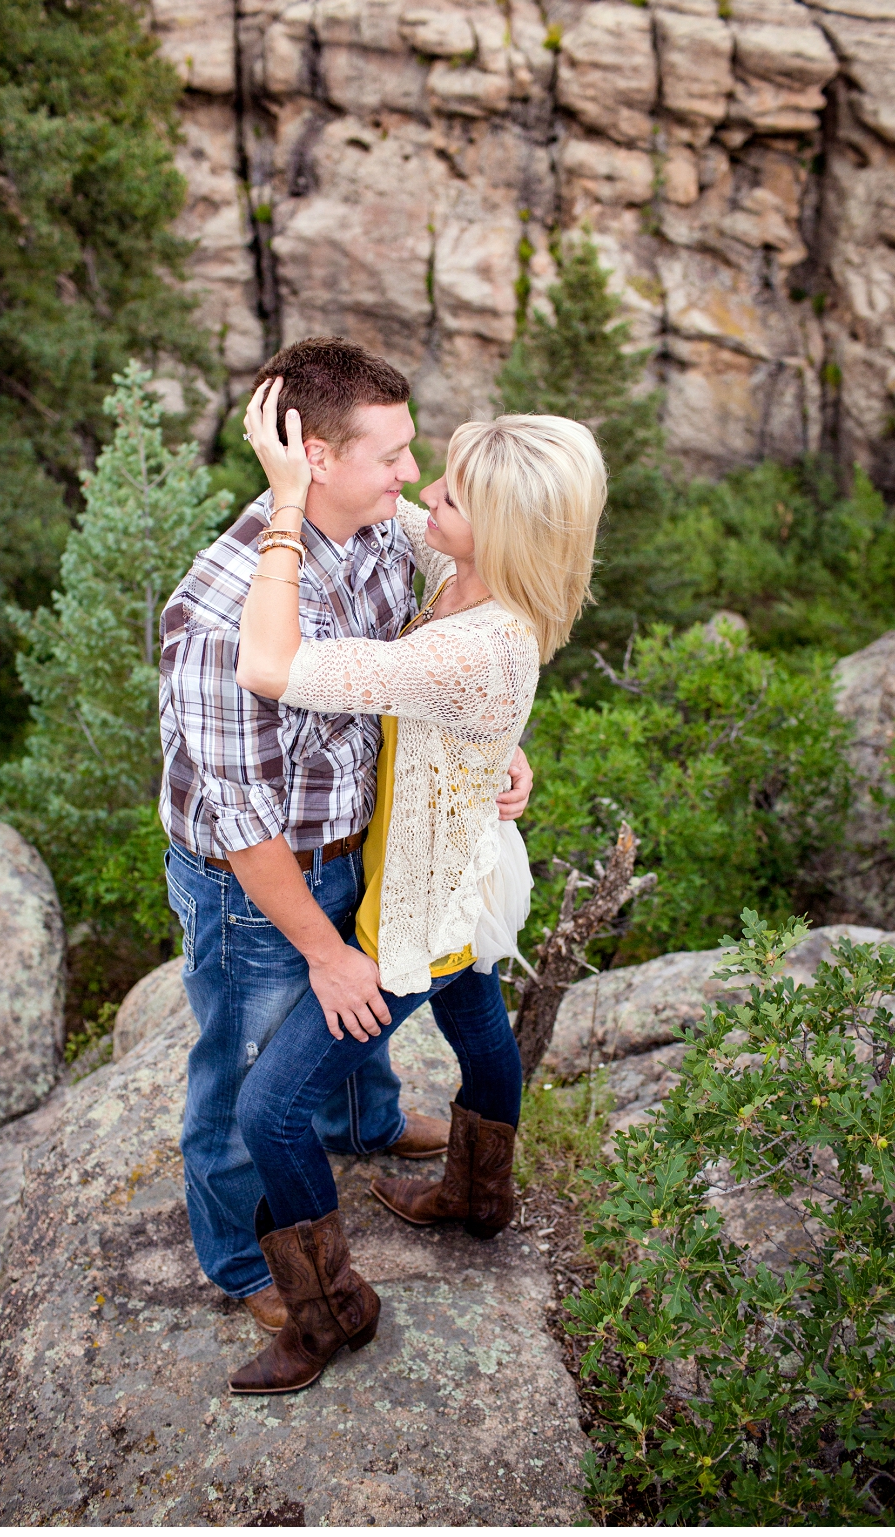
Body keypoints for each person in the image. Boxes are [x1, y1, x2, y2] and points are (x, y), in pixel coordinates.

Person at [223, 379, 607, 1393]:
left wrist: (285, 504)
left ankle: (329, 1314)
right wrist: (309, 460)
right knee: (478, 1019)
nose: (421, 489)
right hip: (465, 865)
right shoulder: (460, 562)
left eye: (450, 492)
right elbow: (386, 500)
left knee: (270, 1110)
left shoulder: (468, 646)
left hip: (426, 904)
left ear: (502, 532)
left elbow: (269, 662)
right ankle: (482, 1196)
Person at [159, 337, 533, 1334]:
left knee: (359, 1025)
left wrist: (496, 742)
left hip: (362, 846)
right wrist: (323, 953)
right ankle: (247, 1266)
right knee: (242, 1077)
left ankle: (362, 1124)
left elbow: (486, 585)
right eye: (392, 454)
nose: (411, 476)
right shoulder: (217, 613)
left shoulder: (379, 526)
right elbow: (239, 823)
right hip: (260, 884)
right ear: (312, 460)